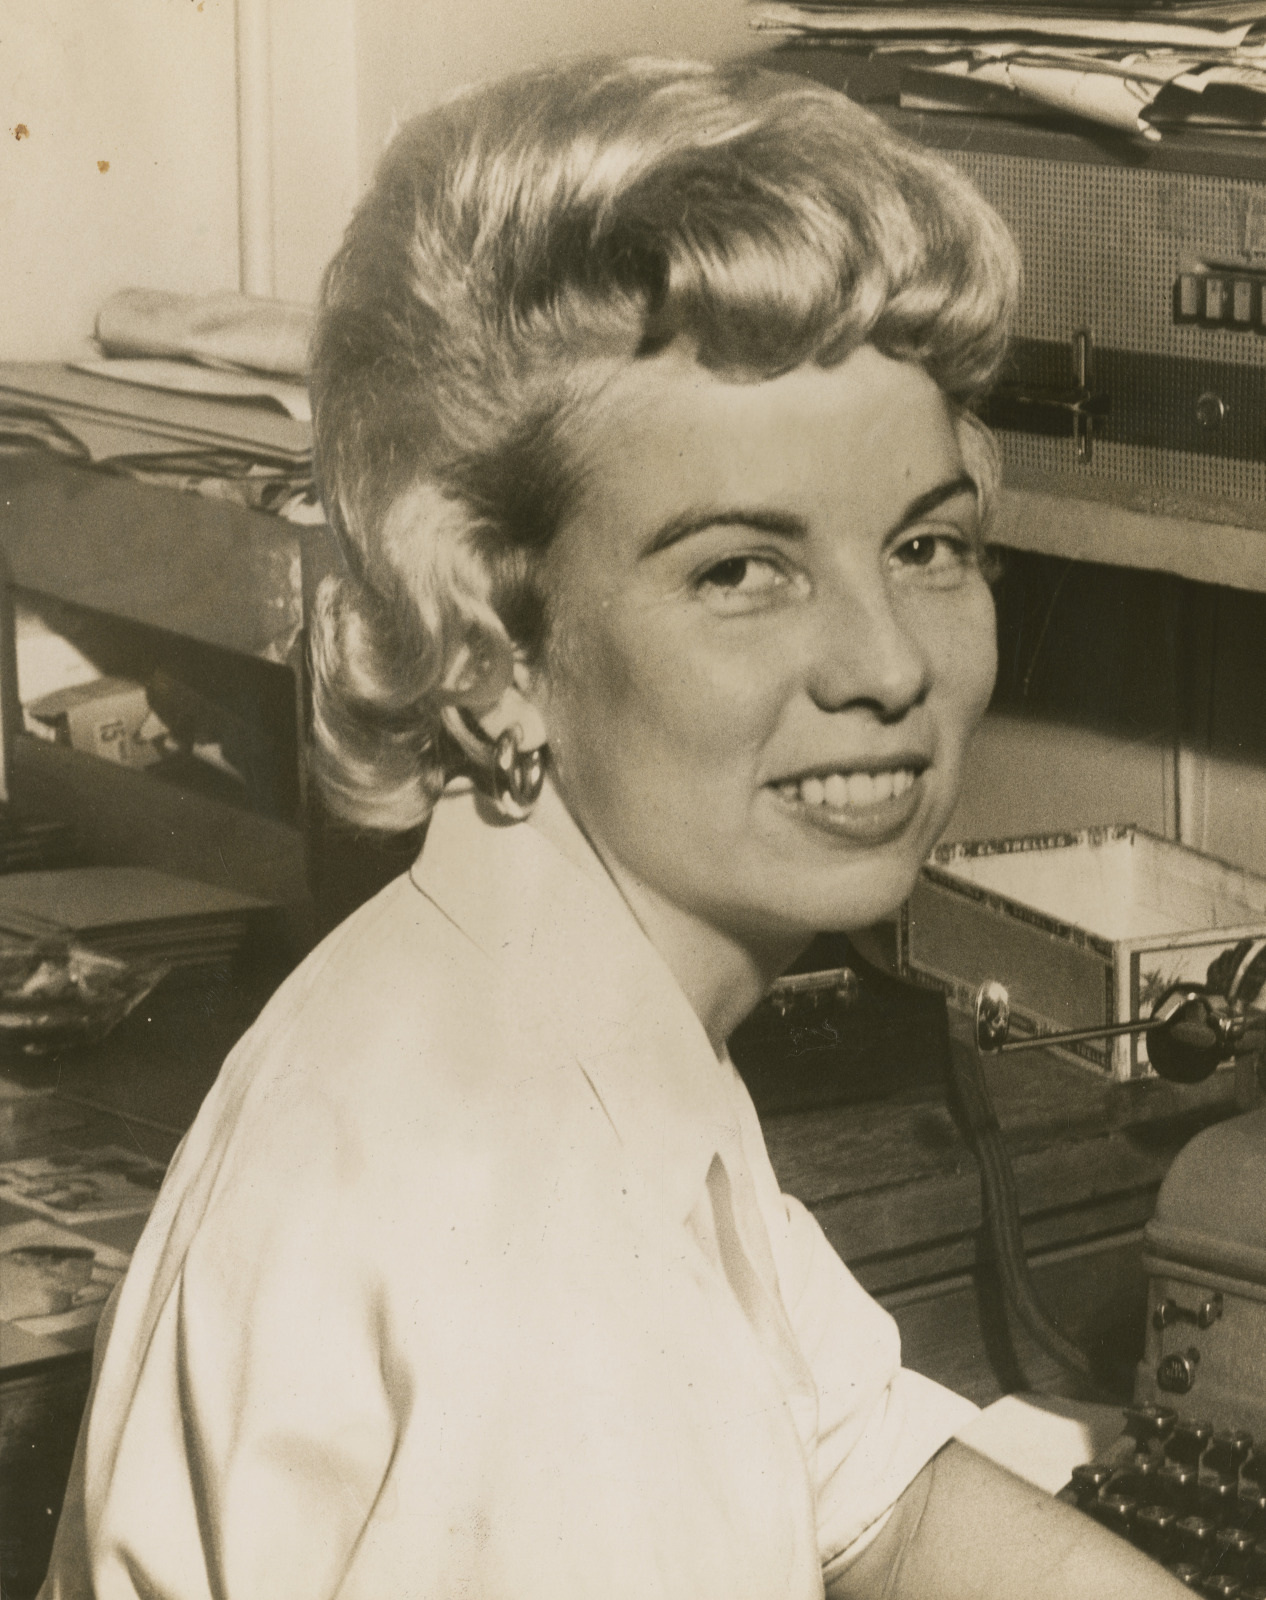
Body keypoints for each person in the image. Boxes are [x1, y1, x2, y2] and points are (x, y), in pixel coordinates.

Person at [42, 57, 1186, 1599]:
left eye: (925, 544)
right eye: (739, 570)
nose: (888, 664)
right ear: (494, 646)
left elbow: (870, 1485)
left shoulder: (543, 990)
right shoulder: (535, 1229)